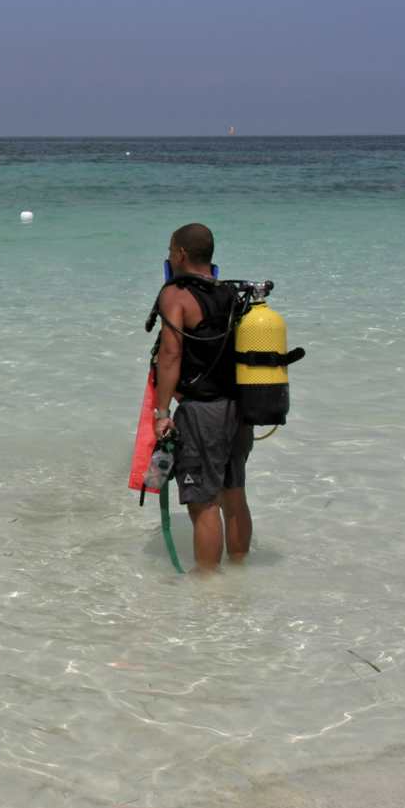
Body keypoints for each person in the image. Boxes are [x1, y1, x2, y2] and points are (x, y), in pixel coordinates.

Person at [150, 223, 254, 571]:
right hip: (238, 409)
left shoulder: (175, 295)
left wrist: (162, 412)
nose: (168, 256)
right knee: (234, 495)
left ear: (180, 253)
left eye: (169, 250)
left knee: (203, 504)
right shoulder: (230, 294)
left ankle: (208, 590)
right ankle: (239, 571)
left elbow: (170, 355)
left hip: (201, 414)